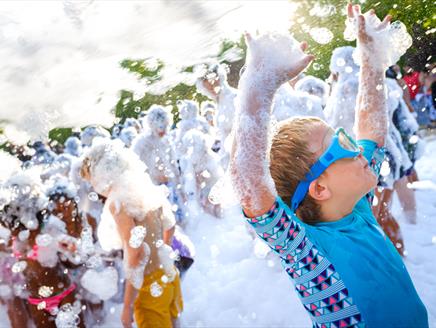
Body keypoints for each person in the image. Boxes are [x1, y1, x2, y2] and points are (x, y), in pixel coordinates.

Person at [230, 4, 428, 327]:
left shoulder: (357, 206)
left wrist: (371, 58)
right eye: (340, 145)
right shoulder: (310, 253)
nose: (353, 143)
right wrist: (260, 83)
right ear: (319, 188)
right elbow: (250, 186)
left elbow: (372, 133)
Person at [80, 140, 182, 328]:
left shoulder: (117, 202)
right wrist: (162, 253)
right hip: (168, 275)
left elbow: (135, 254)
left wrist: (127, 306)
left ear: (102, 173)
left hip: (149, 287)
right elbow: (170, 225)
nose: (94, 187)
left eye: (91, 179)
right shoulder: (143, 185)